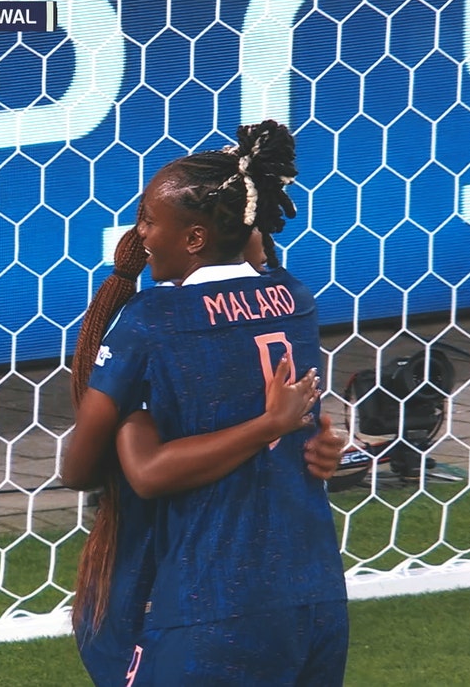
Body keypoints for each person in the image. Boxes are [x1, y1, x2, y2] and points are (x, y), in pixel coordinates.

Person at [71, 120, 348, 685]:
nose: (140, 233)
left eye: (149, 219)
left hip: (211, 601)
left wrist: (132, 415)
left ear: (195, 237)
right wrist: (314, 436)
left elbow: (82, 469)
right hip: (315, 593)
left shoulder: (153, 320)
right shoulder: (294, 298)